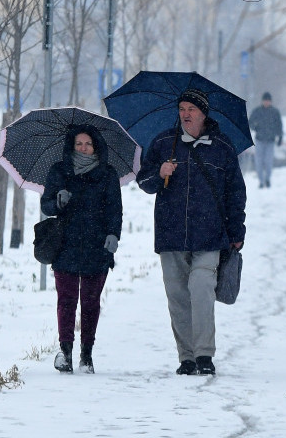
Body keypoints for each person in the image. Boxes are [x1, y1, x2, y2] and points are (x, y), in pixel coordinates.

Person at [136, 88, 247, 376]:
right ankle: (186, 357)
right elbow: (145, 182)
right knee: (177, 298)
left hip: (210, 235)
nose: (185, 114)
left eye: (191, 109)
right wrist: (159, 174)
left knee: (201, 291)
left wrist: (237, 231)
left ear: (203, 113)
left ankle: (204, 355)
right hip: (171, 234)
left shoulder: (222, 147)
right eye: (182, 108)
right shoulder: (163, 142)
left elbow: (236, 193)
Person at [39, 124, 123, 374]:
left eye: (88, 144)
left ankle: (87, 354)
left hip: (97, 246)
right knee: (66, 301)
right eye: (78, 144)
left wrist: (113, 235)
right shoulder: (59, 171)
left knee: (90, 302)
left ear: (96, 146)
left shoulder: (108, 174)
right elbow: (46, 205)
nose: (83, 148)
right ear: (71, 146)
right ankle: (65, 352)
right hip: (65, 244)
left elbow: (114, 210)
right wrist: (58, 201)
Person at [248, 92, 284, 188]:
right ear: (262, 101)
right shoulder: (257, 111)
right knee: (258, 162)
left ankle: (267, 179)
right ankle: (261, 181)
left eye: (268, 100)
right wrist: (255, 128)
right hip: (259, 140)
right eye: (265, 100)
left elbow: (279, 125)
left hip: (270, 141)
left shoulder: (275, 112)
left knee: (268, 161)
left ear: (270, 101)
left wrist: (280, 137)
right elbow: (250, 122)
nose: (266, 102)